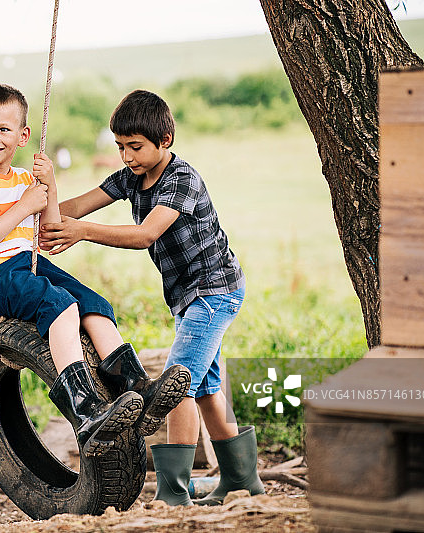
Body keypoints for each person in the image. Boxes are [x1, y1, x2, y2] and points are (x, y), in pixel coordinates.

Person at [40, 89, 264, 505]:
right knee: (205, 390)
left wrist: (82, 233)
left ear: (165, 140)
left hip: (215, 293)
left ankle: (173, 494)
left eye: (136, 147)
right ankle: (241, 480)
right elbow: (76, 207)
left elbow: (146, 235)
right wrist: (41, 200)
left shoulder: (182, 180)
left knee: (175, 386)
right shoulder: (131, 177)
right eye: (121, 147)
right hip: (187, 298)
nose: (127, 157)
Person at [0, 84, 190, 458]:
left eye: (4, 130)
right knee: (58, 305)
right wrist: (23, 206)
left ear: (23, 136)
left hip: (27, 264)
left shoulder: (26, 180)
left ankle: (137, 388)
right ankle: (85, 411)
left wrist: (49, 187)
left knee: (93, 304)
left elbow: (48, 230)